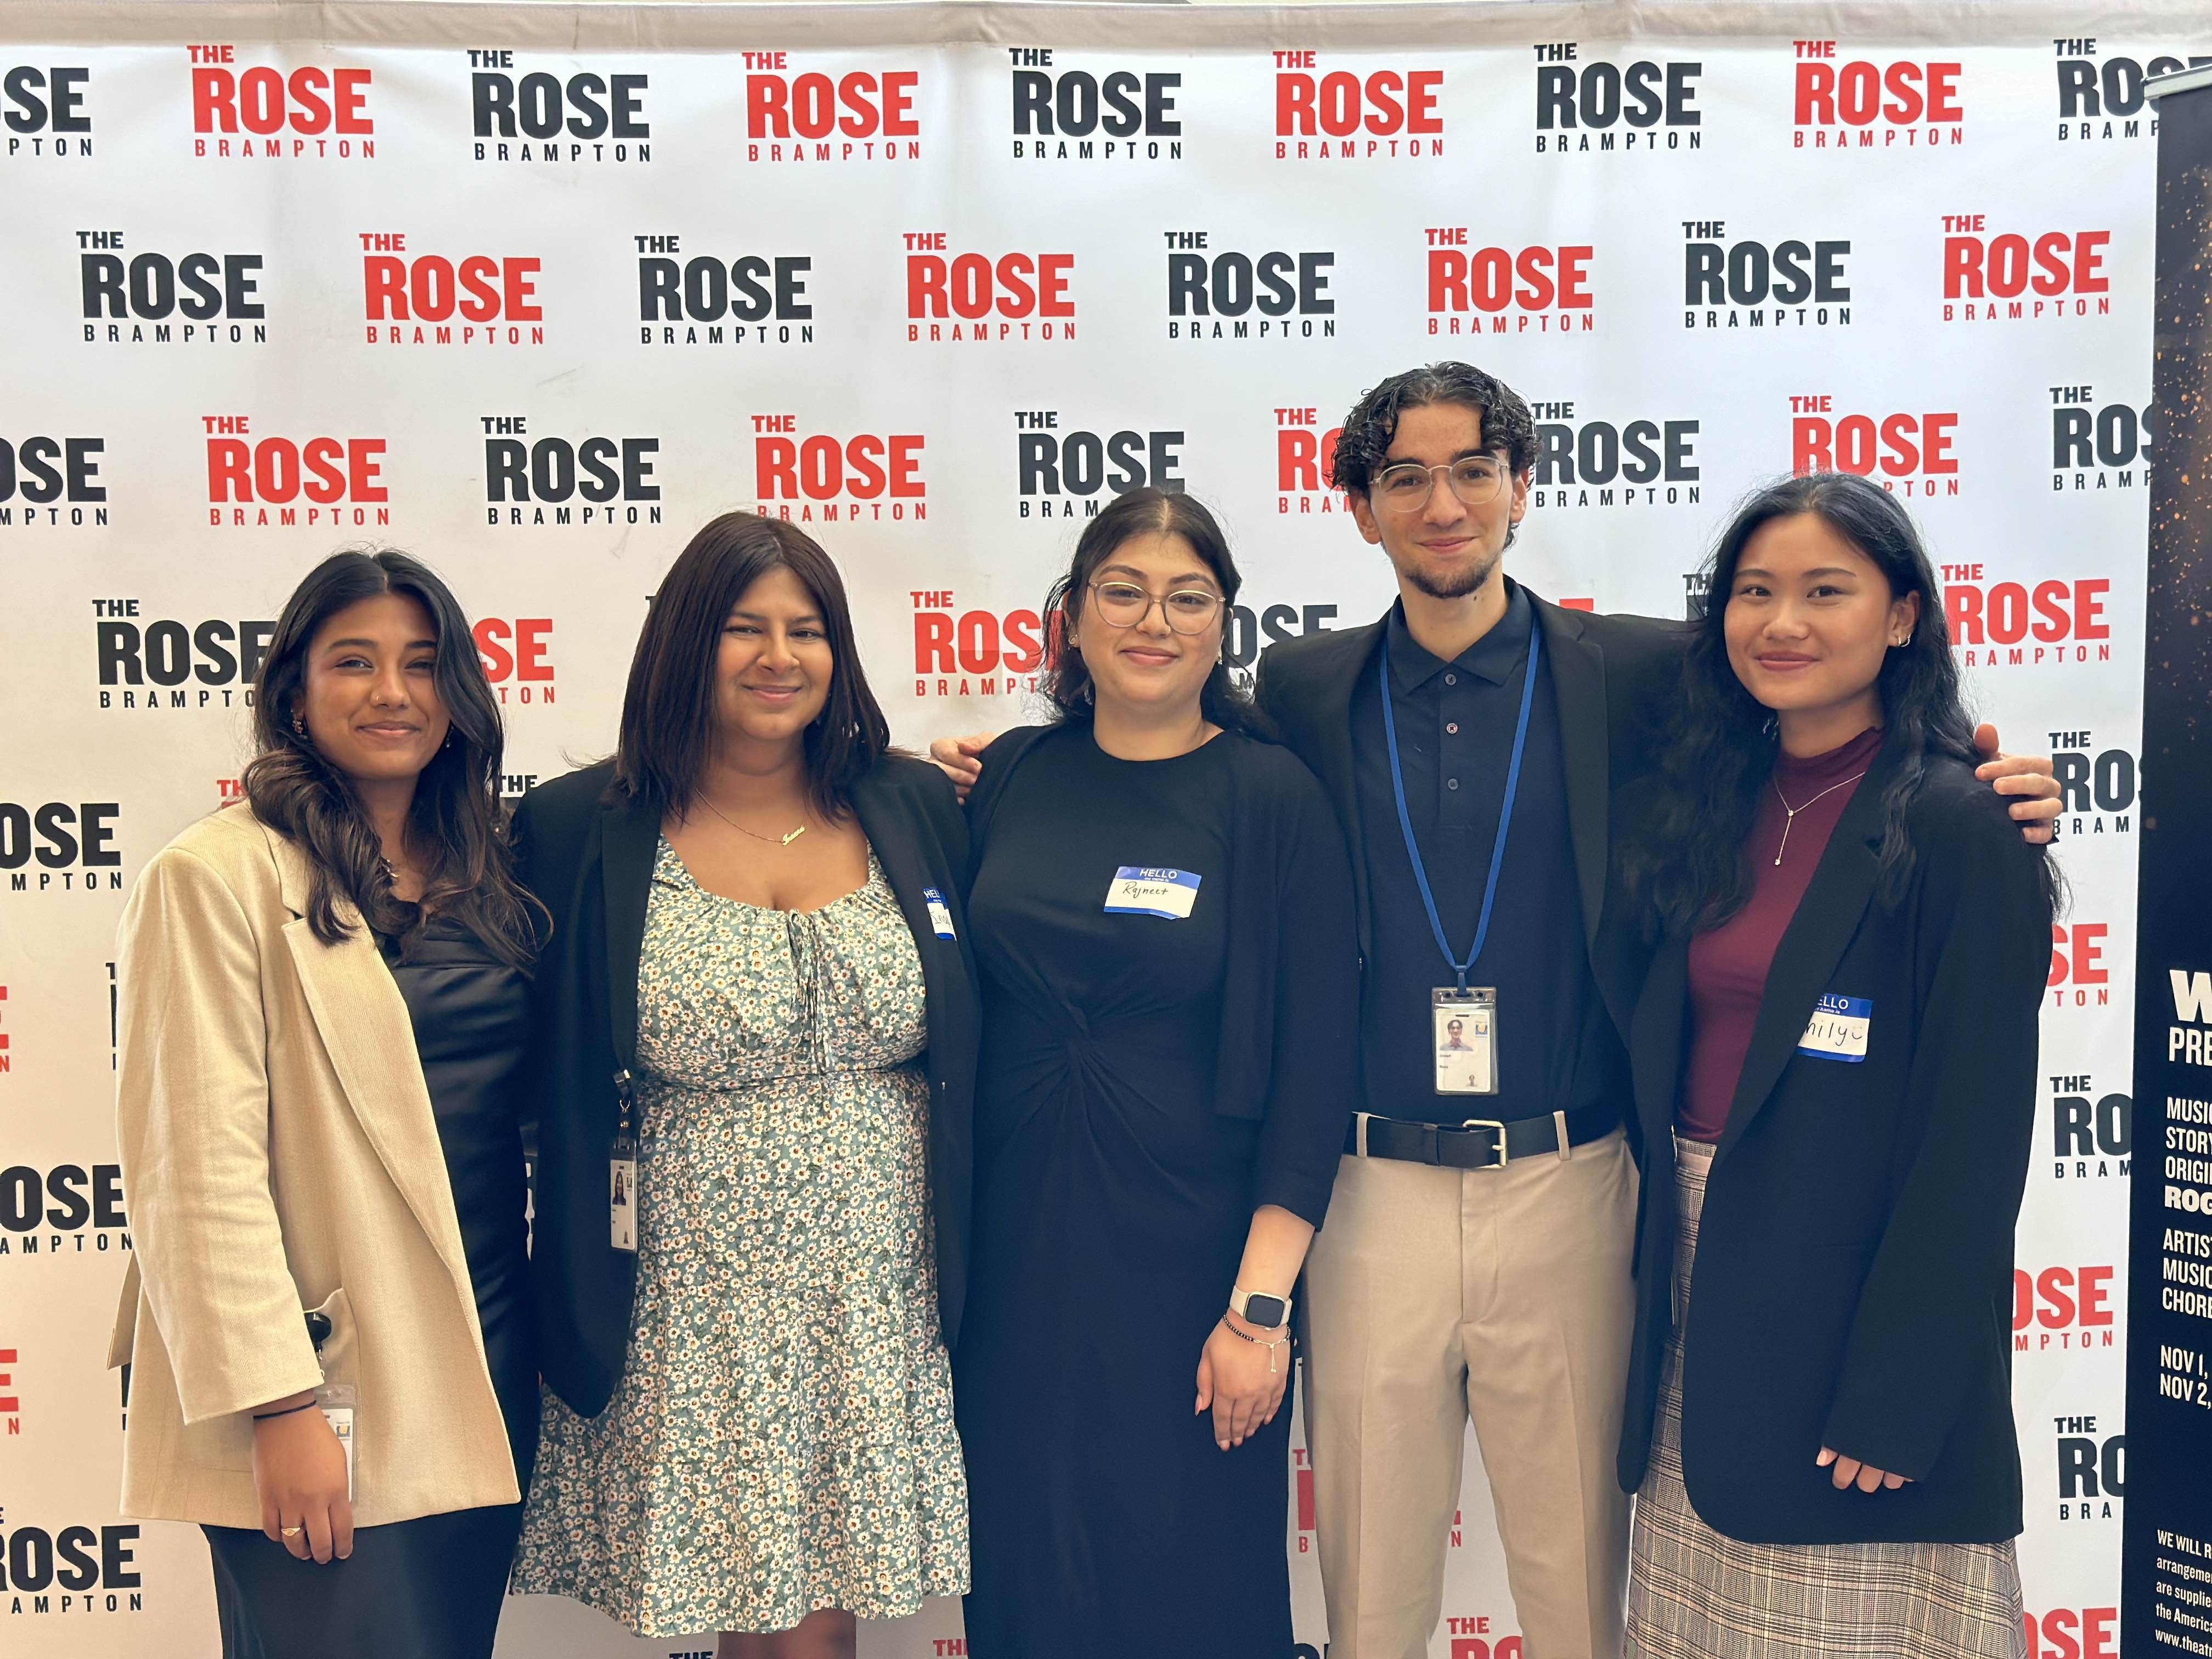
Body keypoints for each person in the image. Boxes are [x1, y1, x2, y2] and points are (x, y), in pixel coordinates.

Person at [935, 362, 2062, 1659]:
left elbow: (1817, 724)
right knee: (1370, 1601)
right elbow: (1161, 742)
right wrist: (1001, 762)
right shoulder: (1305, 690)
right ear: (1359, 508)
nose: (1444, 501)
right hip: (1366, 1198)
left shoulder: (1641, 673)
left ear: (1524, 488)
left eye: (1476, 468)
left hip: (1570, 1188)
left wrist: (1983, 771)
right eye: (1404, 476)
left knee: (1584, 1599)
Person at [510, 514, 976, 1657]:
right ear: (683, 644)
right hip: (686, 1287)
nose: (780, 656)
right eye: (744, 628)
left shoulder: (912, 803)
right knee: (744, 1610)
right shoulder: (578, 825)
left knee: (823, 1609)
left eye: (807, 630)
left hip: (875, 1280)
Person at [1614, 474, 2057, 1659]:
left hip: (1857, 1329)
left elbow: (1972, 1139)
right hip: (1696, 1309)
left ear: (1903, 616)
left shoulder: (1963, 823)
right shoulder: (1708, 800)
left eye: (1826, 591)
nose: (1784, 624)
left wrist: (1903, 1395)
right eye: (1754, 593)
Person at [109, 549, 540, 1659]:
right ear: (293, 691)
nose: (393, 692)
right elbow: (193, 1171)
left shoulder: (491, 871)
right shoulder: (217, 876)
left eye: (422, 663)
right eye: (355, 662)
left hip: (482, 1360)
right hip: (328, 1381)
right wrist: (280, 1406)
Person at [951, 488, 1357, 1657]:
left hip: (1192, 1278)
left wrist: (1259, 1310)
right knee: (1030, 1584)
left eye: (1189, 598)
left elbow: (1312, 1072)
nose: (1154, 620)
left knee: (1189, 1591)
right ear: (1071, 619)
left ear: (1224, 624)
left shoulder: (1272, 798)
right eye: (1122, 592)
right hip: (1015, 1272)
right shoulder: (1014, 774)